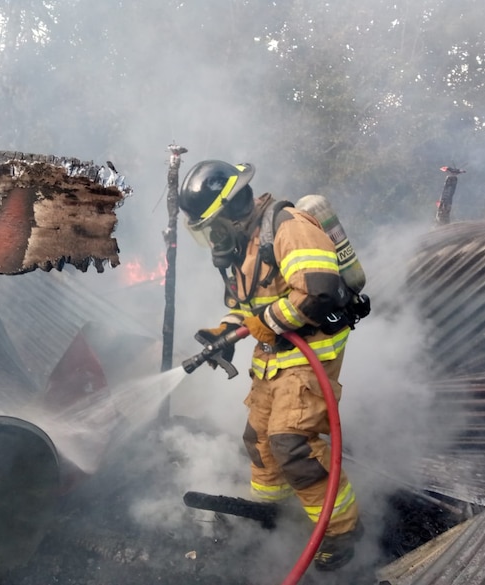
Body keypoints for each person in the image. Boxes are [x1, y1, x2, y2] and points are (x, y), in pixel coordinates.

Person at [178, 159, 364, 572]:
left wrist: (265, 324)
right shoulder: (243, 247)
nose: (211, 237)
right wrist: (221, 335)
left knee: (290, 443)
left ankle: (341, 531)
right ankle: (276, 516)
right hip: (272, 359)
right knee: (258, 438)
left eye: (211, 224)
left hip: (309, 355)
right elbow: (248, 312)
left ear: (230, 209)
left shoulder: (287, 227)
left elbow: (318, 291)